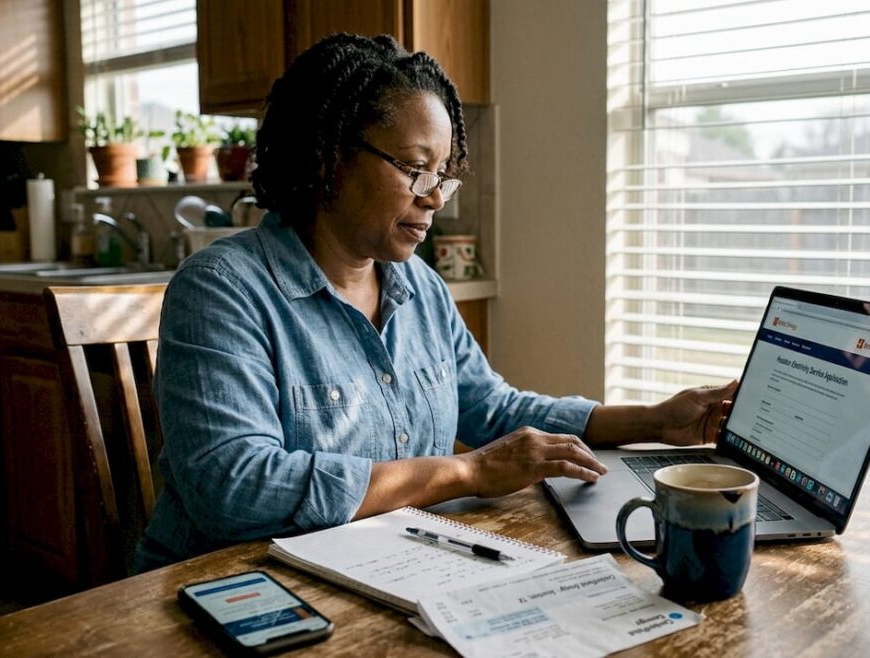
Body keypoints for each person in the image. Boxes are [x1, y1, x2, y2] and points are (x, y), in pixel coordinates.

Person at [134, 33, 735, 572]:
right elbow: (233, 489)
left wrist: (656, 420)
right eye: (416, 168)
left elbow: (494, 410)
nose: (435, 198)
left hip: (380, 570)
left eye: (443, 174)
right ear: (328, 156)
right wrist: (465, 472)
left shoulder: (418, 285)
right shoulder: (222, 287)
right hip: (234, 589)